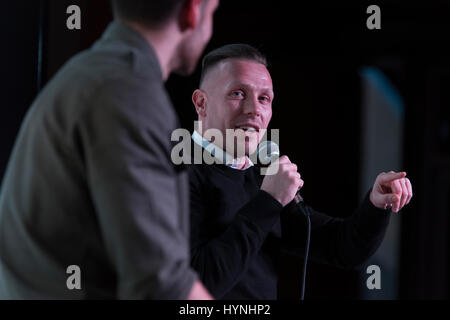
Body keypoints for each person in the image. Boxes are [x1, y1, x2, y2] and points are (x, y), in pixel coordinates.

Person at [0, 0, 219, 299]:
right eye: (214, 12)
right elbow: (161, 287)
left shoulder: (91, 74)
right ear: (193, 10)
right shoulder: (127, 93)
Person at [188, 44, 413, 299]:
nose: (255, 109)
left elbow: (342, 249)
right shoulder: (172, 174)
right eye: (238, 93)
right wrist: (269, 201)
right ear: (201, 103)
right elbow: (197, 284)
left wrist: (376, 203)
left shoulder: (260, 178)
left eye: (264, 98)